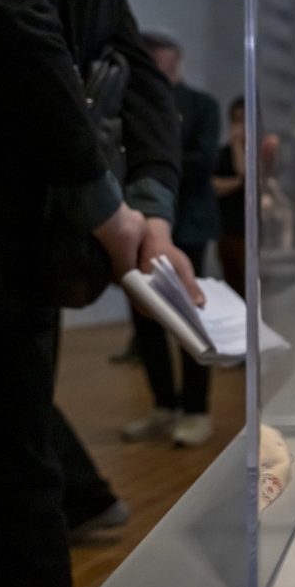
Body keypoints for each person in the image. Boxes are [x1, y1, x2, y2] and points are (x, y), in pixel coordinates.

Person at [0, 0, 200, 586]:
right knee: (18, 485)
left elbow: (18, 28)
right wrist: (145, 209)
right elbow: (130, 60)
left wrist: (123, 212)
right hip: (26, 242)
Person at [122, 32, 220, 447]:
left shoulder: (201, 105)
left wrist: (156, 158)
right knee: (145, 320)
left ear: (175, 60)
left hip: (188, 224)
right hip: (140, 224)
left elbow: (203, 162)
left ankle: (197, 409)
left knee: (189, 319)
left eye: (160, 57)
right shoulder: (134, 102)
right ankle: (164, 404)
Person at [213, 97, 247, 297]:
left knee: (247, 286)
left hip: (248, 233)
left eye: (244, 120)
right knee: (232, 284)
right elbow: (213, 186)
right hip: (226, 229)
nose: (240, 126)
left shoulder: (256, 153)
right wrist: (238, 182)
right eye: (236, 120)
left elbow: (245, 175)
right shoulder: (221, 154)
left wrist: (238, 147)